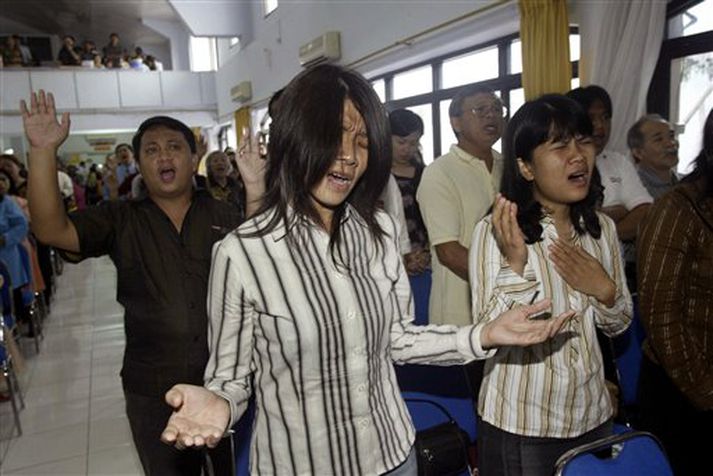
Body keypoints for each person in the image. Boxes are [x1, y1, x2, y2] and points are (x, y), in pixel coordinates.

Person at [159, 64, 575, 476]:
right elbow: (230, 377)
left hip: (392, 455)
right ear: (296, 137)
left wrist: (484, 333)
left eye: (361, 140)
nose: (349, 155)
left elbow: (399, 338)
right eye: (335, 133)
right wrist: (220, 402)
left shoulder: (379, 233)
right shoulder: (243, 253)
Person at [20, 89, 265, 476]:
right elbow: (51, 230)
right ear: (138, 164)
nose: (164, 156)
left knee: (237, 469)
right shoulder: (120, 219)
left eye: (174, 147)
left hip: (227, 384)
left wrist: (257, 190)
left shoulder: (225, 213)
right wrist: (41, 151)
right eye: (151, 150)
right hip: (152, 387)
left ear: (194, 157)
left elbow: (261, 261)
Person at [469, 94, 632, 476]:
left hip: (591, 412)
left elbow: (619, 322)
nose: (578, 156)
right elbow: (487, 333)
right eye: (559, 145)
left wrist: (604, 289)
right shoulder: (496, 231)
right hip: (524, 422)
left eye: (583, 141)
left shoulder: (601, 229)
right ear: (526, 167)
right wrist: (515, 264)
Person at [636, 108, 713, 476]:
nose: (670, 143)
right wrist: (706, 392)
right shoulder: (677, 209)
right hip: (683, 393)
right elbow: (662, 315)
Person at [417, 85, 506, 327]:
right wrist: (508, 284)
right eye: (481, 110)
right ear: (455, 123)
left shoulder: (509, 167)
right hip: (460, 315)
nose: (492, 115)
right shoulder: (440, 173)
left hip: (508, 311)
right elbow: (449, 252)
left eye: (497, 109)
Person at [389, 109, 430, 276]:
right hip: (391, 260)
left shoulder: (425, 174)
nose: (407, 149)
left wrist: (426, 253)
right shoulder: (375, 177)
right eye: (401, 142)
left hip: (424, 258)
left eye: (413, 143)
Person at [627, 114, 680, 199]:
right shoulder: (635, 190)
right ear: (638, 152)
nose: (671, 143)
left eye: (671, 136)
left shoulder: (685, 184)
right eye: (659, 139)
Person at [204, 150, 245, 219]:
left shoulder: (237, 186)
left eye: (223, 160)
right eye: (215, 161)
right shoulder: (204, 185)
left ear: (228, 166)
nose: (220, 163)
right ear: (209, 167)